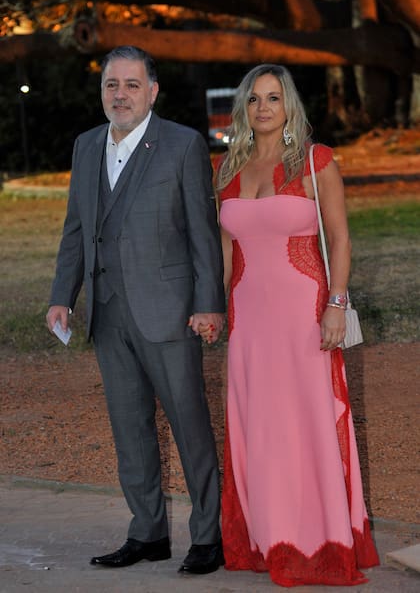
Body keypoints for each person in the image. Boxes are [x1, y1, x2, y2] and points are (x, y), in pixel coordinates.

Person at [46, 45, 226, 575]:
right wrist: (63, 294)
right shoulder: (84, 146)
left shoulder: (182, 144)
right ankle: (146, 532)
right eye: (111, 84)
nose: (119, 94)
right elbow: (76, 229)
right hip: (108, 314)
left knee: (190, 428)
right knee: (130, 431)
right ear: (101, 90)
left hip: (169, 313)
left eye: (130, 84)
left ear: (152, 91)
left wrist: (208, 304)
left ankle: (207, 537)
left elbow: (203, 234)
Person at [213, 64, 380, 587]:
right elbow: (226, 249)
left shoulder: (315, 160)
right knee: (259, 427)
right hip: (249, 322)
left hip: (303, 316)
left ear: (289, 106)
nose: (264, 108)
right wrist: (217, 311)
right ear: (244, 108)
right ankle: (270, 536)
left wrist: (336, 303)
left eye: (274, 98)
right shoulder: (225, 168)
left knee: (306, 424)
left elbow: (341, 239)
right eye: (255, 100)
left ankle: (319, 540)